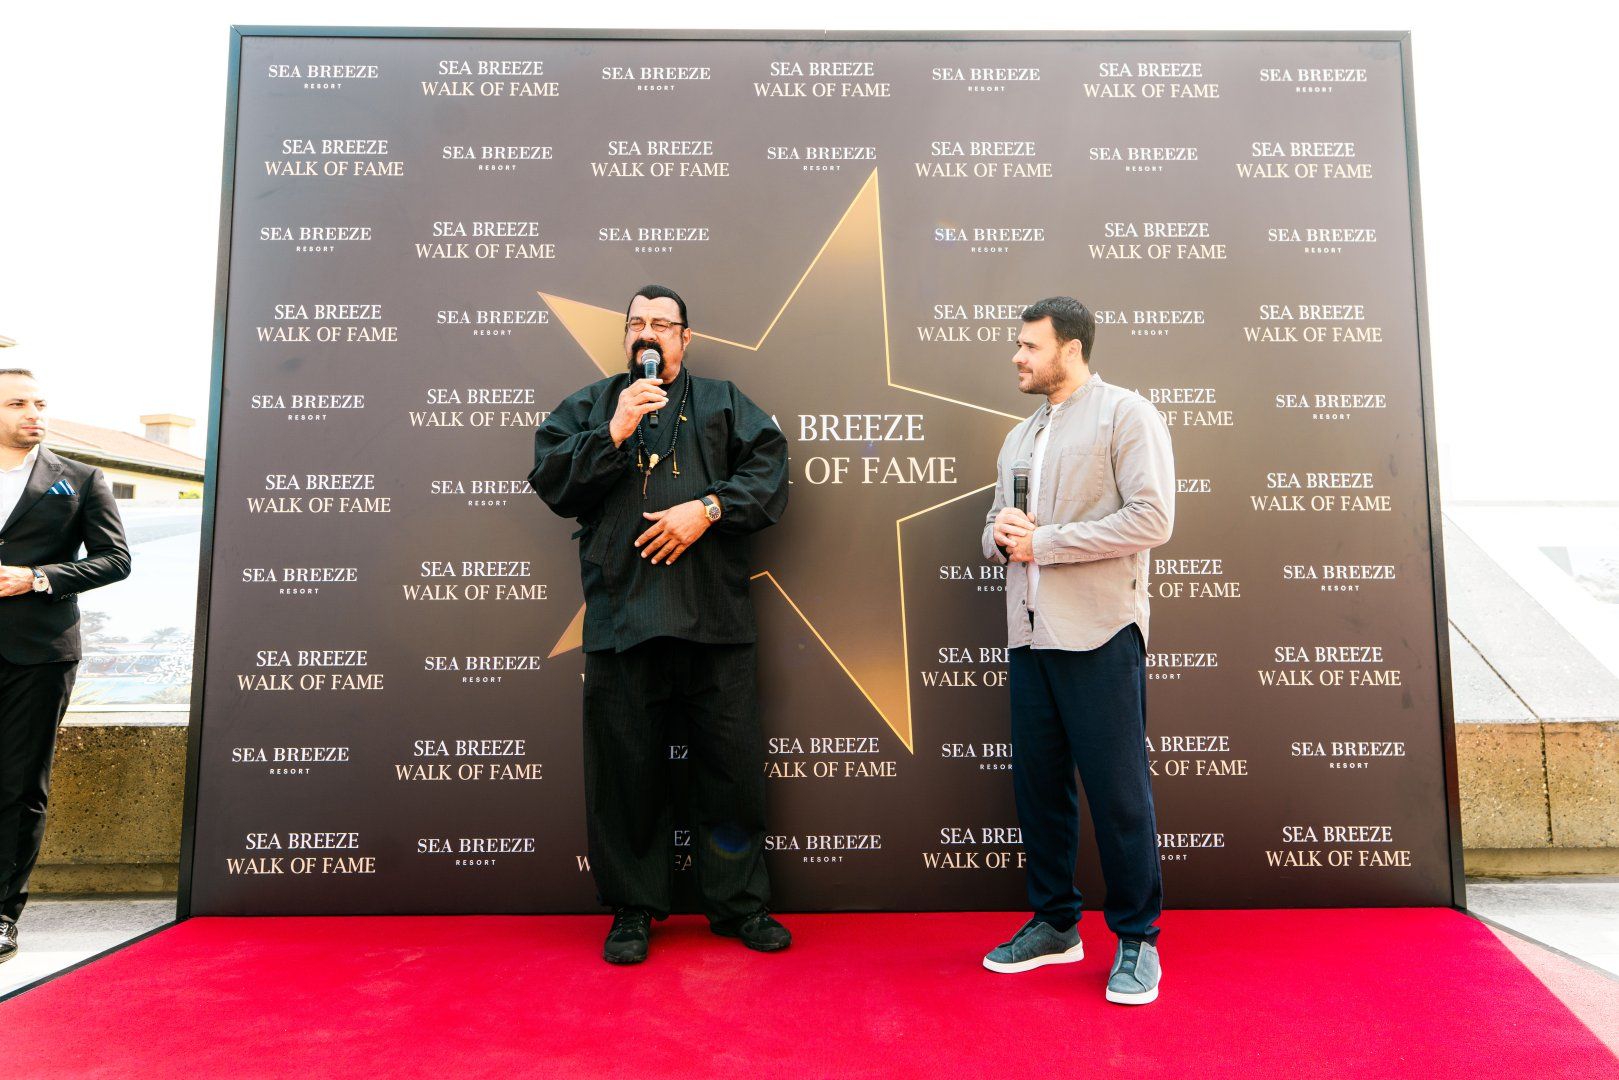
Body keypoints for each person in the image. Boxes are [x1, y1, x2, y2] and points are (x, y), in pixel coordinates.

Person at [528, 285, 791, 964]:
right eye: (637, 323)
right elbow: (552, 482)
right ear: (626, 337)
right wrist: (613, 431)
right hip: (623, 619)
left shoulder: (724, 403)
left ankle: (739, 904)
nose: (648, 333)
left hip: (714, 620)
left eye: (662, 325)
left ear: (684, 337)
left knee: (728, 773)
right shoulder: (591, 407)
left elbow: (769, 474)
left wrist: (706, 509)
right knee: (625, 775)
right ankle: (633, 908)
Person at [979, 297, 1175, 1004]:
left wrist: (1047, 542)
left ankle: (1137, 939)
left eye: (1030, 345)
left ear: (1070, 349)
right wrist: (1000, 535)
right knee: (1039, 791)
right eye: (1018, 344)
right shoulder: (1019, 435)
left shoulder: (1126, 414)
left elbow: (1152, 518)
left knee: (1119, 795)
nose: (1017, 356)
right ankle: (1056, 923)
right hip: (1029, 635)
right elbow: (996, 527)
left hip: (1099, 633)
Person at [0, 368, 131, 964]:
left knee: (20, 785)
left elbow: (115, 559)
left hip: (38, 653)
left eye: (40, 403)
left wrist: (37, 577)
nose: (34, 413)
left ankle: (3, 914)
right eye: (17, 403)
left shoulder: (80, 478)